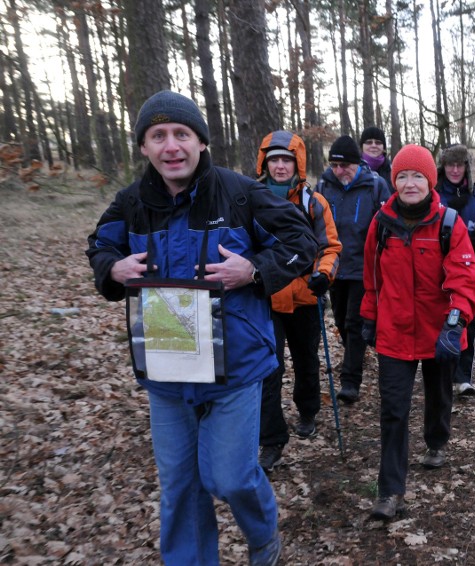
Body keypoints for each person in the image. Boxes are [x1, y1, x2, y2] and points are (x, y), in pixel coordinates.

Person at [86, 91, 318, 565]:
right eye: (158, 136)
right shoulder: (131, 203)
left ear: (201, 143)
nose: (171, 146)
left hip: (236, 365)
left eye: (181, 134)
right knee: (180, 487)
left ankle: (263, 534)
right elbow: (99, 247)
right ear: (144, 148)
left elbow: (302, 242)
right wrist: (113, 269)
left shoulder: (238, 193)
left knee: (229, 477)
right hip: (167, 367)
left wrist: (253, 270)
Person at [360, 144, 475, 520]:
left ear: (430, 180)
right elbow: (371, 278)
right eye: (402, 176)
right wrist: (367, 317)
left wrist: (456, 320)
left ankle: (436, 439)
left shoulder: (449, 224)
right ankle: (390, 490)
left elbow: (464, 278)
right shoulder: (381, 224)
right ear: (393, 181)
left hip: (439, 330)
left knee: (438, 394)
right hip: (394, 332)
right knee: (393, 410)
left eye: (417, 176)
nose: (409, 184)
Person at [254, 130, 342, 471]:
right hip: (264, 299)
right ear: (265, 163)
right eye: (274, 159)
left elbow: (331, 247)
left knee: (306, 360)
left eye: (285, 160)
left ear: (297, 164)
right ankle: (271, 439)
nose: (279, 166)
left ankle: (308, 411)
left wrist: (323, 274)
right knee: (268, 368)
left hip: (306, 297)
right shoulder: (250, 201)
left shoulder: (313, 203)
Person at [315, 134, 391, 404]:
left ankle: (350, 381)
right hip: (334, 266)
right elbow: (315, 223)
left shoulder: (375, 185)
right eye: (334, 165)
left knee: (353, 321)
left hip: (363, 266)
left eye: (344, 165)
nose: (339, 171)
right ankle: (356, 354)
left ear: (357, 163)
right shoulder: (324, 185)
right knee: (340, 321)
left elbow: (387, 223)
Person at [435, 144, 475, 396]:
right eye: (450, 164)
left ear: (466, 168)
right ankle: (443, 373)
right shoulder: (433, 195)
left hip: (470, 274)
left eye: (459, 164)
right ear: (443, 167)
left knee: (467, 323)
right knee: (441, 323)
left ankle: (463, 376)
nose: (454, 169)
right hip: (437, 275)